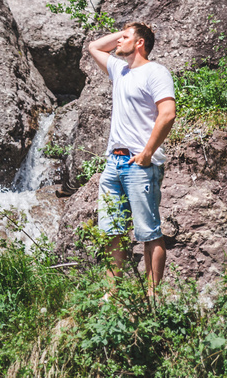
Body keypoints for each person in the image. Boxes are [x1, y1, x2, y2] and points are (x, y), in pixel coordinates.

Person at [88, 22, 176, 293]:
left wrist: (147, 153)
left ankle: (152, 298)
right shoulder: (119, 69)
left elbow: (168, 113)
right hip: (113, 163)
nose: (117, 42)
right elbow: (93, 46)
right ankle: (112, 296)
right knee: (112, 231)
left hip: (139, 164)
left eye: (125, 37)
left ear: (139, 43)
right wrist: (127, 31)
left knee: (148, 232)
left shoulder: (156, 72)